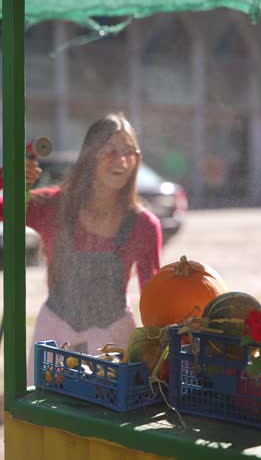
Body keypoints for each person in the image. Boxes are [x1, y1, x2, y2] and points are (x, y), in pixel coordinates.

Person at [20, 113, 162, 385]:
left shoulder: (144, 225)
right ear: (90, 155)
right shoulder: (55, 206)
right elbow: (6, 208)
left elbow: (153, 300)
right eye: (110, 151)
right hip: (54, 337)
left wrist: (158, 348)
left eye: (130, 152)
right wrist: (15, 182)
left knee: (102, 421)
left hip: (113, 342)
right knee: (47, 418)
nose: (122, 161)